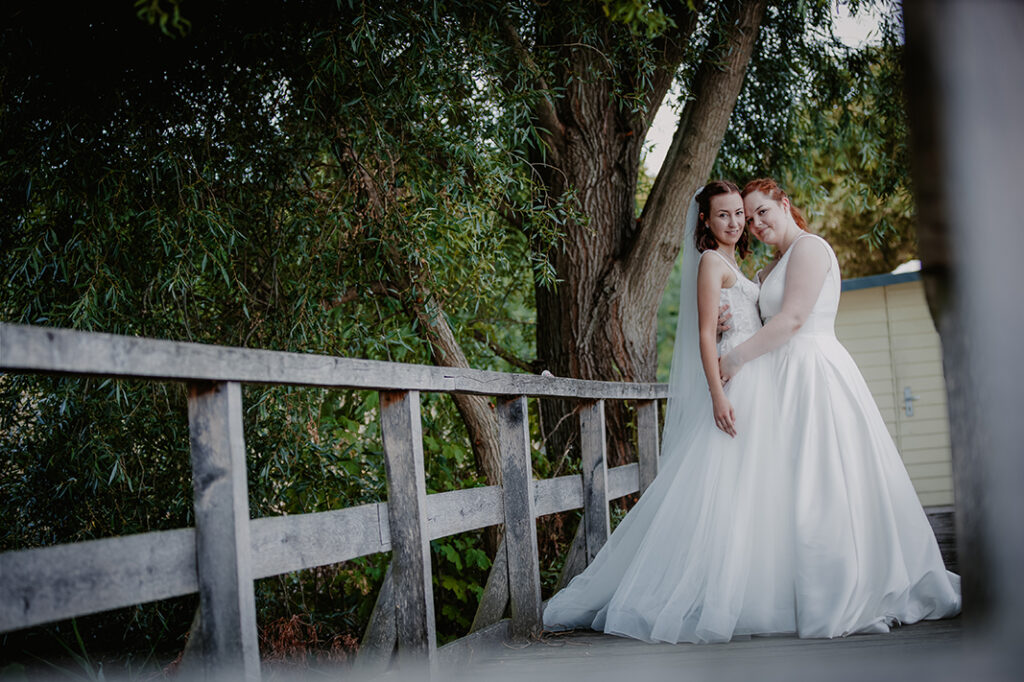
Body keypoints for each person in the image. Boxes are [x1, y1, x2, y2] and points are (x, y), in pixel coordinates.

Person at [542, 181, 797, 643]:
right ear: (706, 220)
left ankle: (746, 589)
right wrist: (717, 395)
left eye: (739, 214)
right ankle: (693, 593)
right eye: (723, 215)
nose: (735, 222)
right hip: (735, 387)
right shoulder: (710, 262)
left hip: (757, 385)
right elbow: (703, 334)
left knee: (746, 489)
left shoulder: (736, 265)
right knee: (717, 489)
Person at [719, 178, 961, 637]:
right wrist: (724, 321)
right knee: (792, 484)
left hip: (813, 372)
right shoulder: (770, 268)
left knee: (826, 479)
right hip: (780, 379)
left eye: (762, 212)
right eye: (748, 219)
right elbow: (756, 316)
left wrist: (734, 359)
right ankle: (799, 589)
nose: (755, 224)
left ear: (784, 203)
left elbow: (793, 319)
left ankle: (851, 590)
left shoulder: (809, 249)